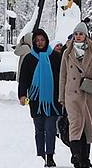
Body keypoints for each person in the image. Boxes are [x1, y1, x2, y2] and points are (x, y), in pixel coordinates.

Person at [58, 22, 92, 168]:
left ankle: (85, 159)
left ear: (86, 35)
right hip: (72, 95)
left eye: (81, 34)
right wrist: (61, 97)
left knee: (87, 127)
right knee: (75, 124)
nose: (78, 36)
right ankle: (76, 155)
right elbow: (63, 76)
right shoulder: (67, 53)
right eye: (76, 34)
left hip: (88, 94)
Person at [18, 29, 62, 167]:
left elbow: (62, 78)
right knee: (39, 130)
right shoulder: (29, 58)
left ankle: (50, 156)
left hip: (53, 100)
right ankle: (40, 156)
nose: (40, 42)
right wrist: (22, 95)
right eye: (37, 40)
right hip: (35, 99)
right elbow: (23, 79)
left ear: (46, 40)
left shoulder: (55, 57)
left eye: (42, 40)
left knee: (51, 129)